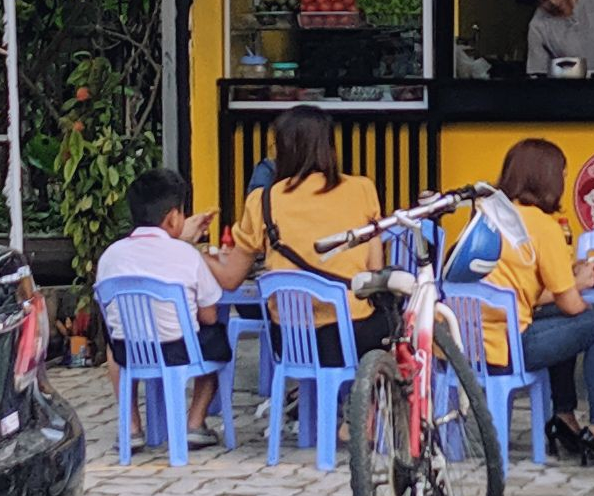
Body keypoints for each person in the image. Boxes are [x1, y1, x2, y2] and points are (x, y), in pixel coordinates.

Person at [485, 136, 594, 466]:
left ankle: (563, 415)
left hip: (468, 340)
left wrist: (570, 280)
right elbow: (572, 306)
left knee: (566, 323)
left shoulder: (487, 213)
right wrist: (579, 285)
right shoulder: (542, 226)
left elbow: (518, 287)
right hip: (507, 345)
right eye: (563, 174)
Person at [212, 106, 388, 363]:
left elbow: (230, 280)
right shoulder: (362, 189)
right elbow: (374, 269)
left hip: (290, 340)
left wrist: (195, 251)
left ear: (281, 150)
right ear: (329, 147)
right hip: (353, 334)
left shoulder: (262, 200)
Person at [96, 167, 228, 450]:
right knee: (217, 339)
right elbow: (209, 316)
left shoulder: (110, 256)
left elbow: (108, 316)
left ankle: (131, 426)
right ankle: (194, 423)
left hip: (129, 351)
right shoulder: (187, 255)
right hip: (177, 350)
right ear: (173, 217)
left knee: (113, 346)